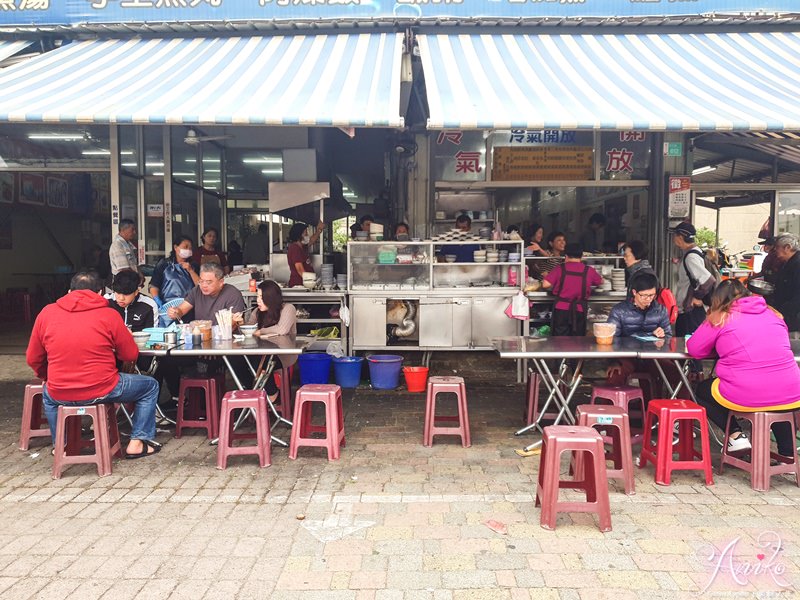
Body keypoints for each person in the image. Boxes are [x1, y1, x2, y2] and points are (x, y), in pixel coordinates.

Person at [25, 270, 161, 458]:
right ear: (100, 293)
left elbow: (33, 358)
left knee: (49, 394)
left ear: (69, 291)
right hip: (103, 388)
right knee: (150, 386)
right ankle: (137, 443)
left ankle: (61, 445)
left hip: (60, 391)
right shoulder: (109, 315)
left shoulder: (46, 313)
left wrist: (49, 378)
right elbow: (130, 354)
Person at [687, 280, 800, 455]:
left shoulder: (721, 316)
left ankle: (736, 435)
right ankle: (788, 452)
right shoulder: (773, 314)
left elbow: (694, 349)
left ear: (718, 300)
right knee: (777, 396)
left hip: (750, 392)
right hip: (793, 390)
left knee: (703, 390)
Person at [605, 272, 674, 392]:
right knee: (615, 375)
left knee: (677, 374)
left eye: (652, 295)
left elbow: (669, 337)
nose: (648, 299)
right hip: (626, 357)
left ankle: (671, 408)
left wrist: (663, 336)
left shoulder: (660, 310)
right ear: (634, 293)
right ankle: (612, 409)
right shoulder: (619, 311)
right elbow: (611, 339)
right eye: (644, 295)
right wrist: (613, 361)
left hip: (652, 357)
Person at [247, 280, 298, 404]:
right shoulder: (256, 312)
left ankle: (272, 393)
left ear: (270, 298)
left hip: (283, 354)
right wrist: (238, 323)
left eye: (261, 297)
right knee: (239, 361)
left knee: (257, 361)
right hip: (260, 353)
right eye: (257, 297)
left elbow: (282, 329)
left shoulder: (288, 308)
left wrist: (261, 331)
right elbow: (249, 330)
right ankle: (250, 392)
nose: (258, 300)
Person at [543, 242, 602, 336]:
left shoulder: (560, 268)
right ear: (581, 256)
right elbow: (600, 282)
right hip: (579, 310)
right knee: (578, 339)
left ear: (566, 256)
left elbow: (545, 284)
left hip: (561, 309)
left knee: (560, 340)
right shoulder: (588, 270)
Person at [672, 222, 716, 337]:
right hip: (690, 311)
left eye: (675, 235)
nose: (673, 238)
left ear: (680, 237)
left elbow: (708, 280)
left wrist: (697, 297)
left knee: (686, 345)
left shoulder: (691, 257)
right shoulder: (696, 252)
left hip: (691, 311)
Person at [166, 262, 246, 323]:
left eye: (208, 282)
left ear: (221, 282)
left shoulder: (232, 294)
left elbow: (235, 323)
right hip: (203, 336)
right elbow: (182, 310)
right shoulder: (197, 291)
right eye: (201, 281)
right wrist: (175, 312)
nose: (204, 285)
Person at [149, 235, 200, 325]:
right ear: (176, 247)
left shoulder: (194, 265)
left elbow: (200, 286)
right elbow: (154, 285)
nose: (188, 250)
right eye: (185, 247)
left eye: (190, 248)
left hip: (188, 307)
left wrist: (191, 271)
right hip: (167, 308)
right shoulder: (164, 264)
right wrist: (157, 299)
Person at [771, 233, 800, 333]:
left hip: (793, 318)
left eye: (777, 247)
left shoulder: (797, 264)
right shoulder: (787, 263)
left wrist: (784, 310)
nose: (775, 251)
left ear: (787, 247)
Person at [287, 221, 324, 287]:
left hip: (305, 285)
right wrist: (311, 283)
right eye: (305, 233)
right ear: (299, 235)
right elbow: (300, 270)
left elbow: (312, 240)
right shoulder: (295, 248)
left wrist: (319, 230)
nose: (307, 235)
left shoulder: (303, 247)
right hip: (299, 286)